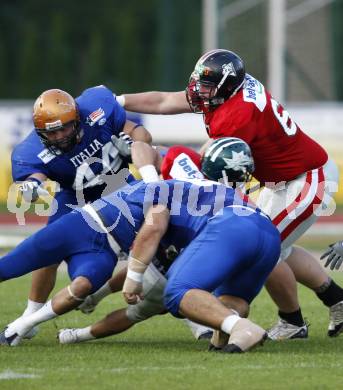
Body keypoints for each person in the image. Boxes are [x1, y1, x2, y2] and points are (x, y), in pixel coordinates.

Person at [115, 49, 343, 339]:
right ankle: (335, 299)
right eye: (199, 82)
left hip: (306, 179)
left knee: (263, 247)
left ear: (225, 85)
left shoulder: (235, 115)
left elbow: (208, 163)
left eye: (206, 86)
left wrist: (155, 157)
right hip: (283, 180)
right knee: (274, 246)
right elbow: (165, 100)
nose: (198, 91)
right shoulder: (231, 89)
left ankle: (293, 321)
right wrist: (117, 101)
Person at [58, 138, 274, 353]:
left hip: (230, 226)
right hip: (268, 233)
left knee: (178, 292)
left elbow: (152, 227)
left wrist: (134, 277)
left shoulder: (171, 183)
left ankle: (242, 329)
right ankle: (225, 339)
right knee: (233, 300)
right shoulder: (233, 192)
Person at [9, 86, 154, 339]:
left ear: (77, 119)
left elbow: (138, 132)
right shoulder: (30, 150)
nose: (60, 136)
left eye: (65, 128)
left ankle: (192, 316)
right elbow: (33, 176)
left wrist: (133, 143)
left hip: (120, 185)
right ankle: (30, 316)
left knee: (158, 235)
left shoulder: (98, 108)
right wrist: (32, 186)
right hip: (74, 195)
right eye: (52, 132)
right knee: (49, 248)